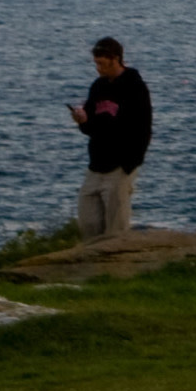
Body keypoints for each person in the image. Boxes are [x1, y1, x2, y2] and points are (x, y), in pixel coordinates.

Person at [67, 35, 153, 238]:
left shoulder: (135, 87)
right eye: (96, 63)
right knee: (88, 222)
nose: (98, 68)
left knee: (116, 229)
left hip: (119, 168)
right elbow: (90, 127)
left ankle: (117, 267)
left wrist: (130, 164)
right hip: (96, 165)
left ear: (115, 59)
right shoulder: (98, 87)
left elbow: (144, 128)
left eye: (102, 63)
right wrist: (82, 120)